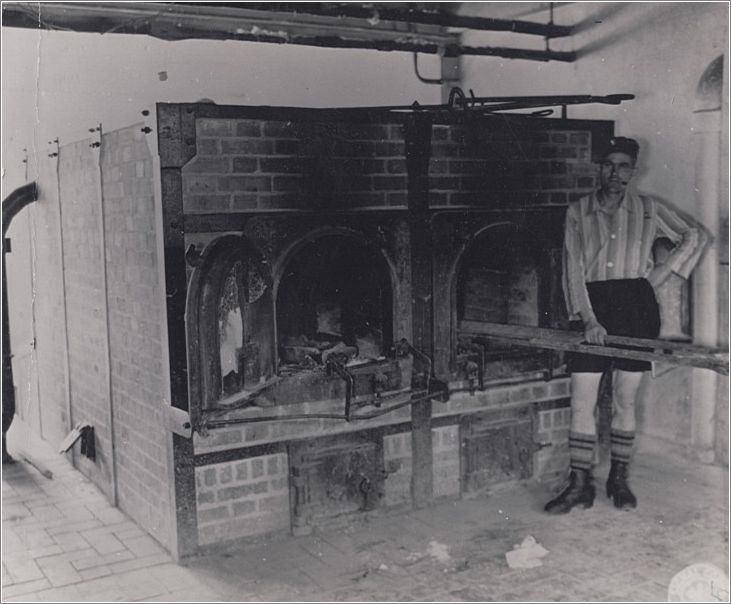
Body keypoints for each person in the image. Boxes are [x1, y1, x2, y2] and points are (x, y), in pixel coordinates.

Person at [545, 136, 709, 514]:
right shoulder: (577, 212)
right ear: (598, 168)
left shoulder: (648, 209)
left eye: (623, 166)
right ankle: (580, 485)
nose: (615, 172)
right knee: (582, 401)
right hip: (592, 306)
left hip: (637, 309)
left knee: (624, 399)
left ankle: (619, 479)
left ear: (633, 172)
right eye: (608, 164)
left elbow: (695, 236)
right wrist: (588, 319)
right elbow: (572, 271)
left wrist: (657, 277)